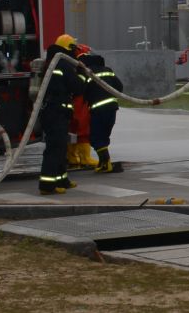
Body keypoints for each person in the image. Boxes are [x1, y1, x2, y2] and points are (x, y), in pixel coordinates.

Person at [37, 34, 86, 195]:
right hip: (56, 112)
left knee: (60, 147)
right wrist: (81, 73)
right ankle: (47, 185)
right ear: (69, 49)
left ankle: (61, 180)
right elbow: (77, 87)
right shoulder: (63, 64)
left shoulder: (53, 62)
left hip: (54, 112)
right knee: (55, 148)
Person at [79, 50, 124, 173]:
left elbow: (82, 90)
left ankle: (106, 164)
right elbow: (119, 87)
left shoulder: (89, 73)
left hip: (98, 110)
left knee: (96, 137)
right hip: (112, 109)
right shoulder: (108, 70)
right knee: (104, 137)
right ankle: (104, 163)